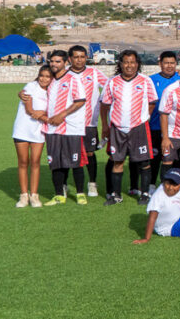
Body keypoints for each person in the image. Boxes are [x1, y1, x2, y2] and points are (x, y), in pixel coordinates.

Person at [100, 49, 159, 205]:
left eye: (132, 62)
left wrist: (142, 117)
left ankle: (145, 194)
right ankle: (116, 195)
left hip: (139, 127)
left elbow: (152, 102)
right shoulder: (112, 82)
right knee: (117, 161)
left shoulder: (145, 81)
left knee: (144, 161)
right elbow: (104, 105)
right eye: (126, 62)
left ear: (137, 63)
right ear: (120, 64)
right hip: (117, 128)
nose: (129, 65)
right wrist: (105, 126)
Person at [42, 50, 88, 205]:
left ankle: (80, 193)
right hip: (52, 128)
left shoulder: (73, 79)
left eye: (58, 61)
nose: (54, 64)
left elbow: (80, 100)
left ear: (66, 62)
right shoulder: (49, 80)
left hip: (71, 128)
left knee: (76, 163)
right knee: (56, 164)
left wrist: (62, 115)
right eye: (52, 61)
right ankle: (59, 195)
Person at [67, 44, 107, 197]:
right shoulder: (64, 75)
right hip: (69, 123)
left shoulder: (94, 73)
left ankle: (92, 184)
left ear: (86, 58)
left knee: (90, 153)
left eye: (82, 57)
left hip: (89, 122)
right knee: (71, 154)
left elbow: (111, 85)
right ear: (70, 58)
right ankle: (66, 185)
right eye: (76, 57)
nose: (79, 60)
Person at [13, 65, 51, 207]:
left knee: (35, 162)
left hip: (39, 131)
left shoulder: (52, 91)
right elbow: (30, 111)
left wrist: (43, 115)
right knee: (23, 162)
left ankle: (34, 195)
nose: (44, 79)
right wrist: (46, 115)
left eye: (47, 76)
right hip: (22, 129)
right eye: (42, 75)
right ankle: (23, 196)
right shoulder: (30, 86)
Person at [146, 51, 180, 196]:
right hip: (154, 126)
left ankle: (175, 186)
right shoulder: (150, 80)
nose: (169, 66)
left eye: (172, 63)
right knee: (154, 158)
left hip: (175, 129)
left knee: (175, 160)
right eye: (166, 63)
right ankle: (151, 185)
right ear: (160, 64)